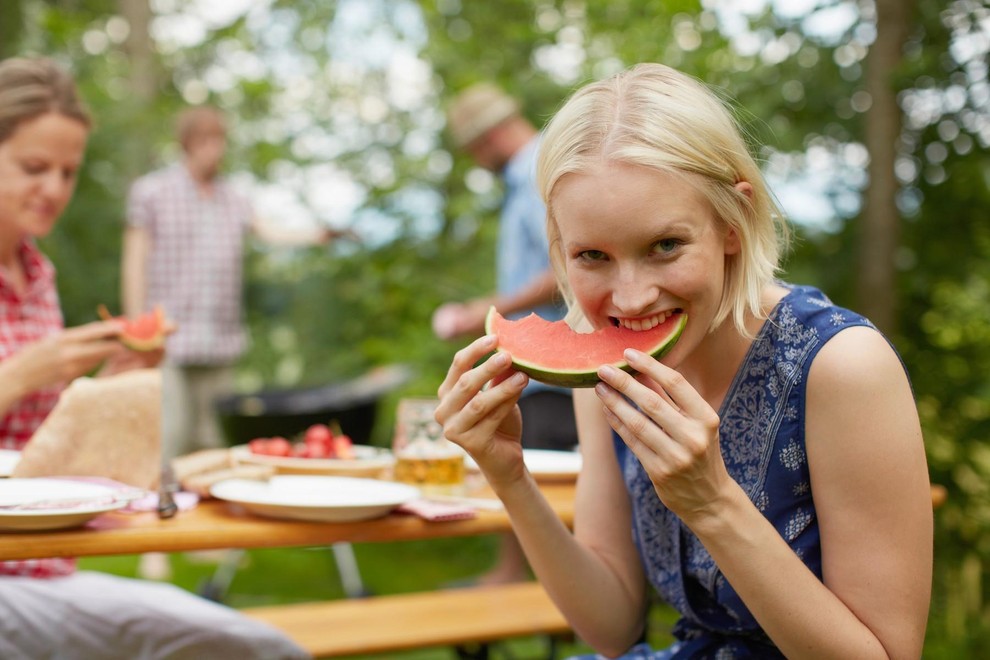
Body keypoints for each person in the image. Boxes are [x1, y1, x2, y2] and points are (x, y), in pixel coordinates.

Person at [434, 63, 933, 658]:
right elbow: (612, 627)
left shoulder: (842, 367)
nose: (631, 298)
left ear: (732, 222)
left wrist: (714, 504)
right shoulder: (603, 375)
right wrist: (509, 475)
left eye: (665, 246)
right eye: (592, 255)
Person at [0, 56, 309, 660]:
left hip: (44, 569)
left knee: (266, 648)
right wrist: (23, 372)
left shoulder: (37, 273)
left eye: (68, 172)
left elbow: (35, 440)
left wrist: (110, 385)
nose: (55, 190)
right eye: (34, 167)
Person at [122, 105, 353, 462]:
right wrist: (135, 325)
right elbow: (135, 260)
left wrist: (322, 234)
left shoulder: (234, 198)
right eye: (206, 140)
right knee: (172, 432)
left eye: (219, 139)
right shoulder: (152, 192)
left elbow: (271, 233)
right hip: (167, 336)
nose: (215, 148)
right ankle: (160, 505)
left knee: (213, 439)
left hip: (218, 337)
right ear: (187, 143)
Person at [434, 82, 577, 586]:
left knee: (540, 474)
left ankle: (541, 584)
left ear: (488, 138)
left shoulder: (538, 174)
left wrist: (490, 310)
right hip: (537, 362)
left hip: (556, 363)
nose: (477, 162)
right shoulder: (525, 179)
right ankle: (519, 575)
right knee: (521, 467)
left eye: (474, 151)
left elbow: (570, 267)